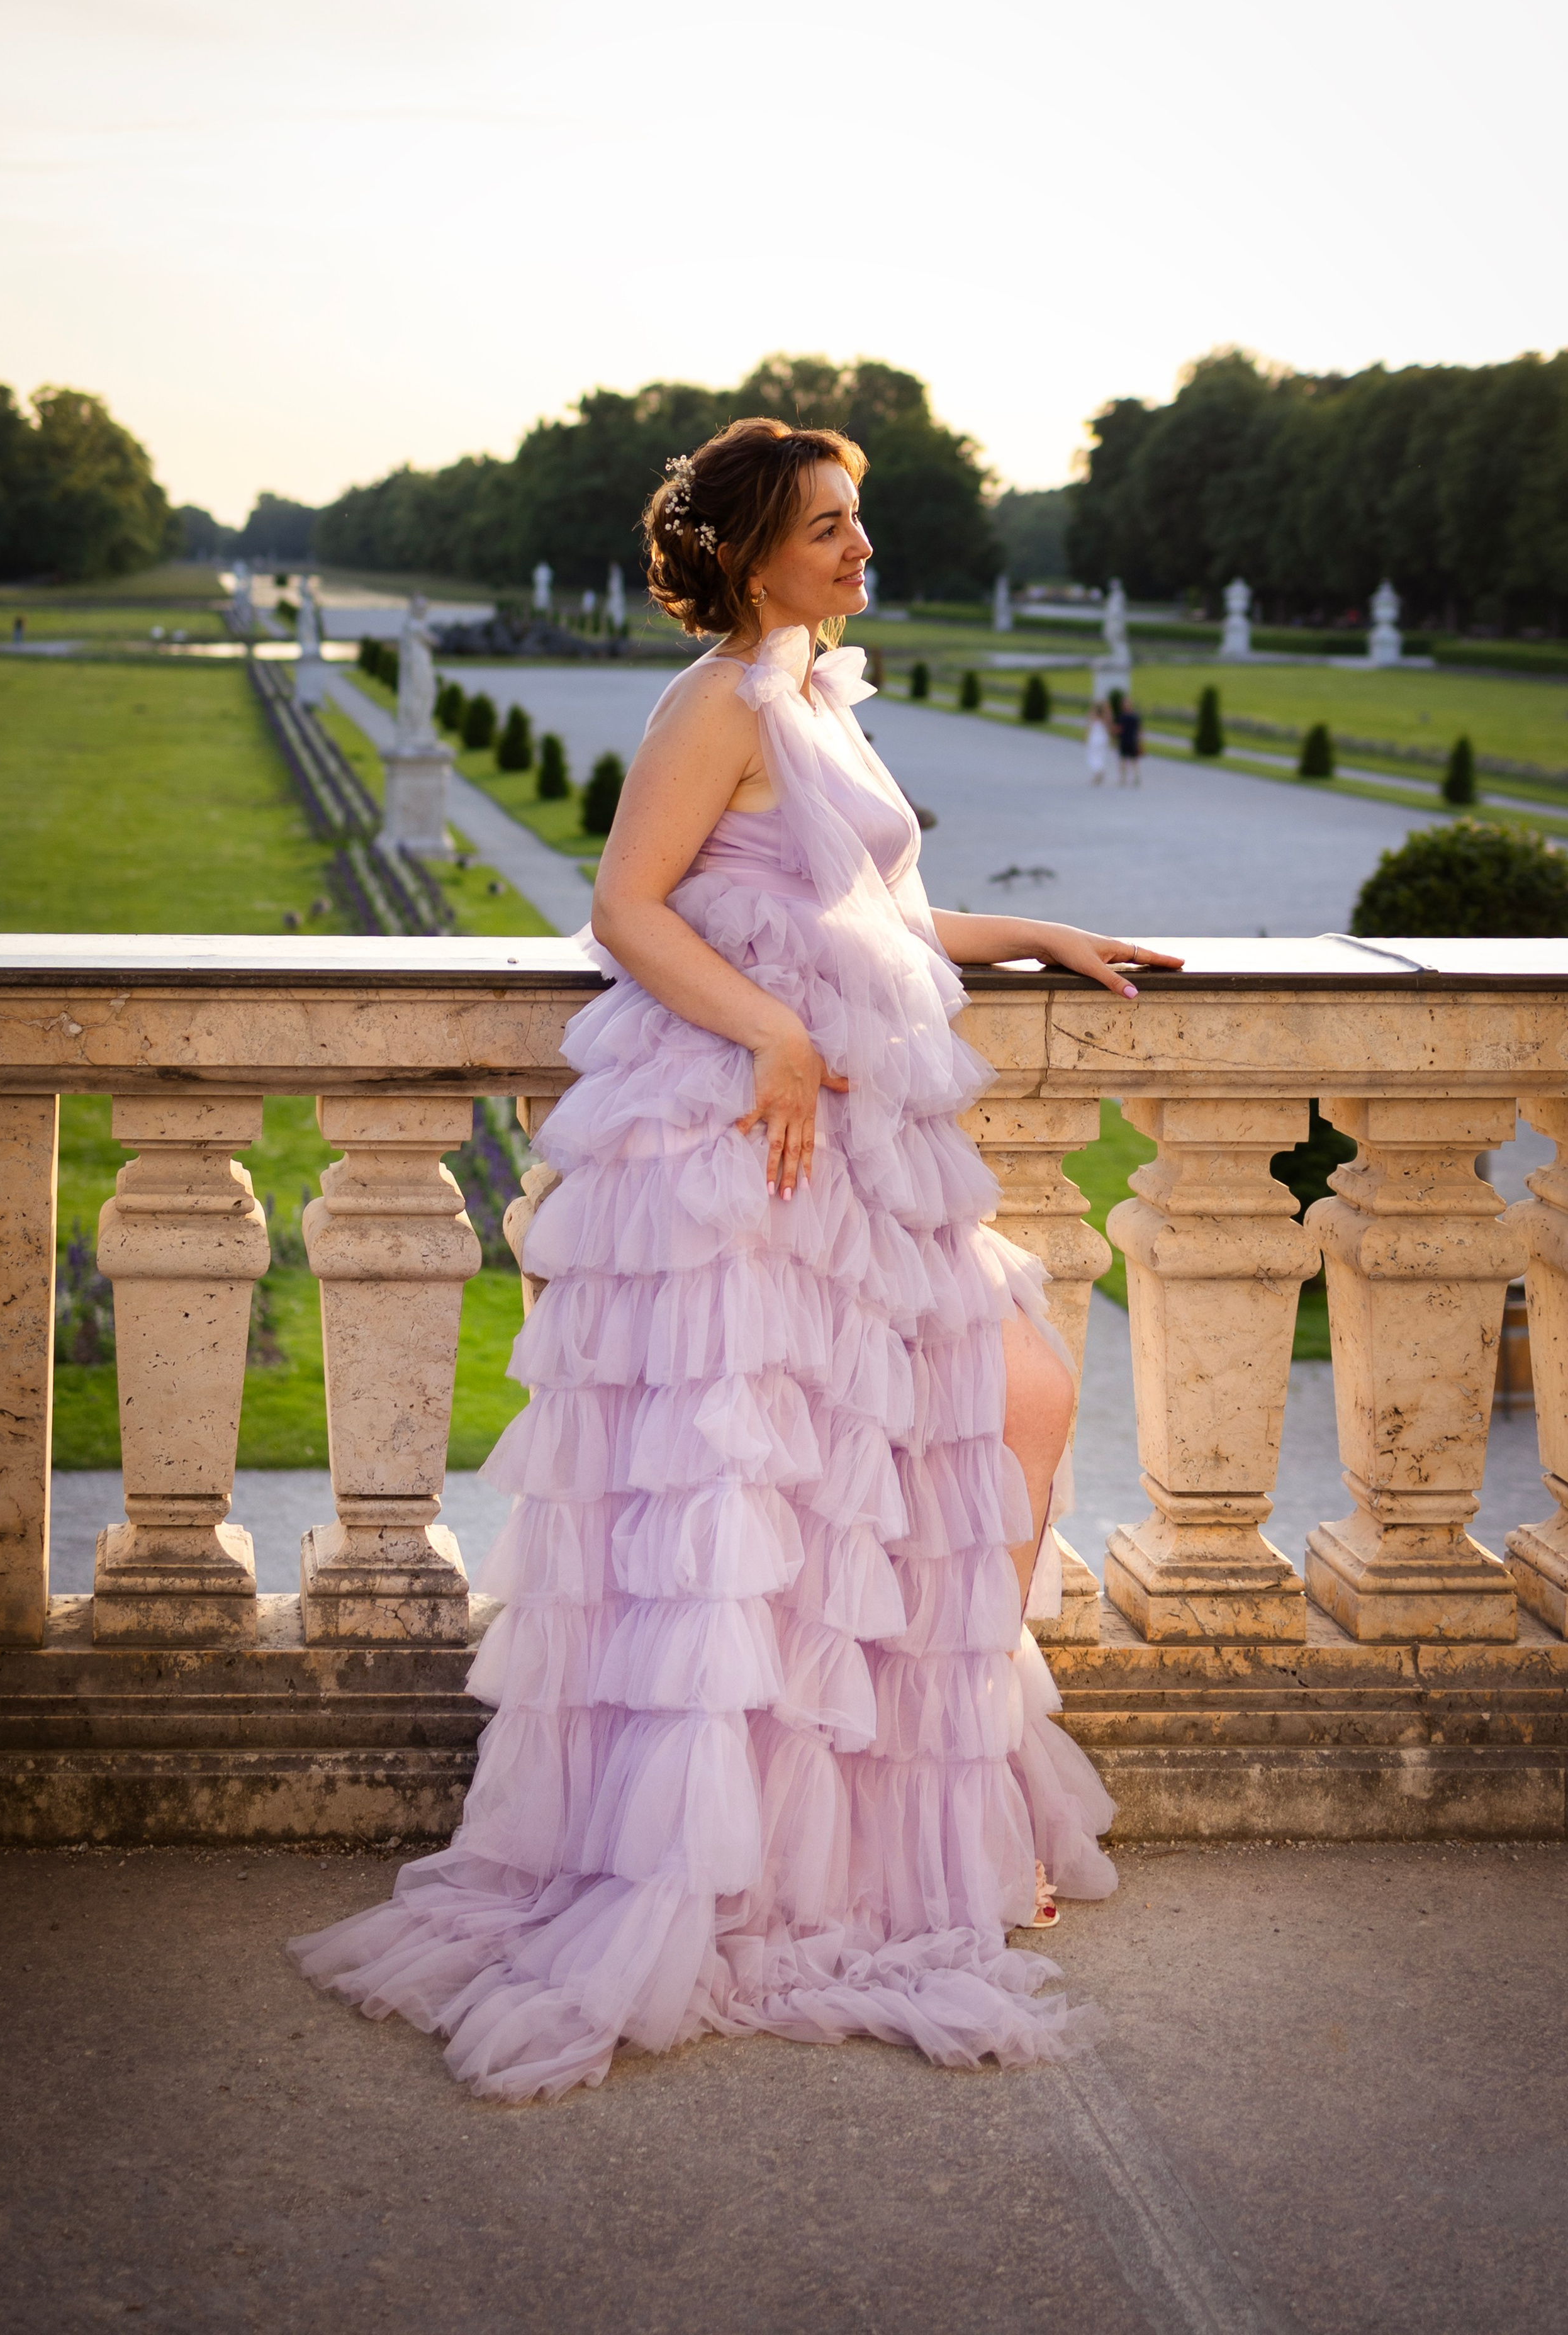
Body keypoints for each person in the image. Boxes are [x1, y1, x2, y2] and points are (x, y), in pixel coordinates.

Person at [290, 418, 1182, 2102]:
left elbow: (878, 917)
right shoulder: (711, 701)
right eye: (832, 528)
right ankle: (787, 1879)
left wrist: (1030, 935)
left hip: (862, 1153)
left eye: (861, 524)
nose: (863, 551)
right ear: (759, 551)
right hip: (750, 1152)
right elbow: (628, 908)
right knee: (758, 1514)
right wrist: (774, 1038)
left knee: (998, 1415)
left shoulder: (815, 693)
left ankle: (922, 1843)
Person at [1115, 692, 1143, 787]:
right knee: (1127, 761)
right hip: (1128, 740)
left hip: (1129, 740)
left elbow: (1120, 729)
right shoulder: (1132, 716)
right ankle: (1128, 778)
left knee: (1130, 760)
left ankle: (1130, 778)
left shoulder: (1124, 717)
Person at [1084, 699, 1111, 786]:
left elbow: (1089, 723)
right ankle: (1099, 771)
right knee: (1100, 755)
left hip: (1096, 738)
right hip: (1102, 738)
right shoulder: (1104, 718)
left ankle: (1097, 773)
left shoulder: (1095, 718)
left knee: (1094, 755)